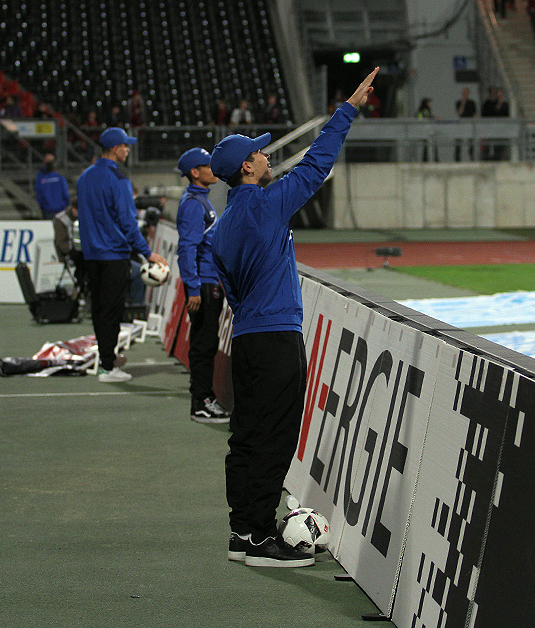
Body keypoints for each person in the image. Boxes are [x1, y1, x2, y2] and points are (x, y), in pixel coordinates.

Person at [210, 67, 379, 568]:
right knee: (276, 437)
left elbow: (232, 291)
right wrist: (346, 110)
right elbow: (316, 164)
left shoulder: (221, 228)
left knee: (245, 435)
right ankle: (261, 537)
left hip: (246, 339)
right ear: (247, 167)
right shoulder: (266, 206)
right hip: (277, 337)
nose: (267, 156)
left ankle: (242, 530)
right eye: (259, 153)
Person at [77, 127, 166, 383]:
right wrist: (147, 253)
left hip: (91, 254)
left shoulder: (84, 177)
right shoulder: (119, 179)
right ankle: (108, 366)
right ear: (116, 149)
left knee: (99, 309)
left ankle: (107, 358)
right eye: (125, 146)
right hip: (114, 255)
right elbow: (128, 223)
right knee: (112, 311)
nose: (128, 150)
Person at [175, 147, 229, 424]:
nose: (213, 168)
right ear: (195, 172)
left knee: (205, 343)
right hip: (204, 284)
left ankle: (203, 399)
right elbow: (187, 248)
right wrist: (194, 288)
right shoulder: (194, 205)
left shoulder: (199, 200)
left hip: (207, 282)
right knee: (204, 345)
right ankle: (202, 402)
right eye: (207, 165)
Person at [52, 199, 87, 300]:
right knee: (84, 264)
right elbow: (61, 242)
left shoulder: (84, 217)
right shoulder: (61, 220)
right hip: (69, 251)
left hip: (82, 250)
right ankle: (82, 290)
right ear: (74, 209)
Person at [35, 153, 70, 220]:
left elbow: (39, 194)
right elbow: (66, 194)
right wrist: (65, 204)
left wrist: (44, 206)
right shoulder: (60, 178)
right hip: (56, 209)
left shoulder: (42, 179)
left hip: (51, 209)